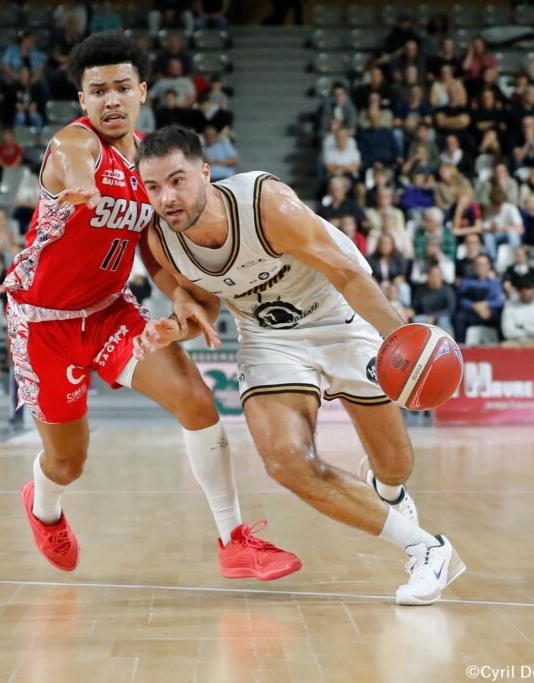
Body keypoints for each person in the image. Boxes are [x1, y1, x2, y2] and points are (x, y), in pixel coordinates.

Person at [0, 34, 299, 579]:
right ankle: (44, 508)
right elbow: (75, 162)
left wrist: (181, 294)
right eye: (98, 91)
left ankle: (233, 540)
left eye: (120, 87)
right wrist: (85, 189)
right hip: (43, 323)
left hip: (111, 311)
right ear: (82, 101)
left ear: (141, 90)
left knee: (197, 401)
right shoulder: (73, 144)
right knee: (69, 461)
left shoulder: (148, 164)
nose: (110, 99)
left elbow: (150, 253)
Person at [134, 125, 465, 606]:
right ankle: (426, 548)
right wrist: (178, 325)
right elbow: (206, 303)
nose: (166, 197)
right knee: (286, 460)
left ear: (206, 173)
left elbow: (346, 272)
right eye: (153, 187)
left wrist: (398, 338)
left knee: (395, 464)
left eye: (177, 180)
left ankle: (387, 488)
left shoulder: (266, 204)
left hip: (337, 314)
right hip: (268, 337)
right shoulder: (166, 240)